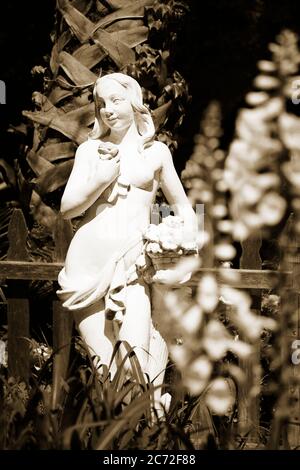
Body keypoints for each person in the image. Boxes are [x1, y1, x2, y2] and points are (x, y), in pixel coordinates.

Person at [57, 72, 197, 410]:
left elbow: (186, 210)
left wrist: (182, 239)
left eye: (115, 101)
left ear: (134, 103)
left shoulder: (157, 153)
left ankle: (145, 443)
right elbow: (67, 208)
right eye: (101, 103)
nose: (107, 110)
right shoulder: (91, 151)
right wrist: (101, 178)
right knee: (106, 375)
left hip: (132, 265)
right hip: (86, 267)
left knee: (136, 369)